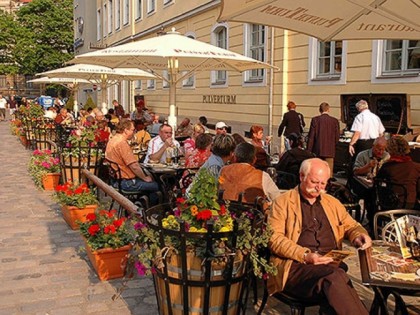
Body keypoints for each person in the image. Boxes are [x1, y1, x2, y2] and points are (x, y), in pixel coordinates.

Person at [268, 158, 372, 314]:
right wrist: (305, 255)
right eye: (315, 182)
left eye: (323, 184)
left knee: (335, 281)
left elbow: (352, 225)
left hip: (329, 263)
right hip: (296, 267)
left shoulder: (332, 202)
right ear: (302, 176)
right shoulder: (282, 203)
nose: (319, 188)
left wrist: (358, 235)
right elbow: (274, 239)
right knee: (336, 278)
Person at [105, 119, 159, 202]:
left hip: (115, 180)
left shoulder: (113, 140)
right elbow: (134, 166)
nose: (134, 132)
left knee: (149, 183)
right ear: (126, 130)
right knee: (156, 185)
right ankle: (149, 210)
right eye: (133, 130)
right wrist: (145, 178)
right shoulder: (121, 143)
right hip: (126, 183)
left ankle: (140, 204)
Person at [350, 137, 390, 227]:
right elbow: (355, 172)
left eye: (383, 149)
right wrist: (368, 166)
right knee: (371, 194)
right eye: (378, 149)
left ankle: (378, 221)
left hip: (379, 183)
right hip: (363, 184)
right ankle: (372, 222)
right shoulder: (362, 155)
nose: (380, 151)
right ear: (373, 146)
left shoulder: (386, 156)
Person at [376, 136, 420, 210]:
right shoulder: (416, 167)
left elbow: (377, 181)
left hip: (391, 204)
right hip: (411, 204)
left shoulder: (387, 166)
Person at [307, 102, 340, 176]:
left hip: (317, 150)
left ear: (320, 110)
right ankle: (328, 185)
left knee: (317, 172)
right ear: (328, 109)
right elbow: (337, 137)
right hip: (330, 150)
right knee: (329, 173)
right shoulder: (335, 121)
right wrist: (333, 145)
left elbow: (311, 137)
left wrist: (309, 150)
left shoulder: (315, 120)